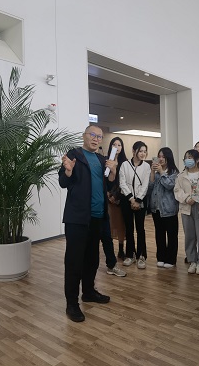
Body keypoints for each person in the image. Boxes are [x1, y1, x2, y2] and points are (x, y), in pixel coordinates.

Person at [58, 125, 118, 322]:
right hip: (77, 218)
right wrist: (68, 172)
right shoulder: (74, 155)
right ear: (84, 136)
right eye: (92, 135)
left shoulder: (102, 160)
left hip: (98, 217)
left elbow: (109, 184)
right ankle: (72, 303)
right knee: (74, 261)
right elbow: (63, 182)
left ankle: (89, 292)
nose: (95, 139)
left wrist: (113, 172)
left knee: (92, 258)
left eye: (99, 137)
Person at [174, 149, 199, 274]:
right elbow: (177, 190)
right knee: (189, 235)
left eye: (190, 157)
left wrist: (197, 198)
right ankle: (192, 260)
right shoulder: (181, 175)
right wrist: (187, 198)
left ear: (197, 160)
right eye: (186, 158)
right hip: (186, 207)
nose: (187, 160)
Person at [119, 141, 151, 269]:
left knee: (140, 228)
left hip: (140, 200)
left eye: (145, 151)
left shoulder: (146, 166)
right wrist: (131, 199)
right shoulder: (124, 165)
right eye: (140, 151)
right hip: (126, 200)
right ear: (133, 151)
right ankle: (130, 255)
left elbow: (145, 184)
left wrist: (138, 200)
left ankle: (141, 255)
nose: (143, 154)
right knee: (129, 228)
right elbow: (122, 183)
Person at [148, 147, 179, 269]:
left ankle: (171, 259)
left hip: (169, 209)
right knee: (159, 234)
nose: (160, 159)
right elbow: (150, 188)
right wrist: (152, 172)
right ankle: (160, 257)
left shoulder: (174, 172)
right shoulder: (156, 172)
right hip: (156, 208)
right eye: (159, 156)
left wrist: (161, 172)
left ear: (168, 158)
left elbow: (169, 185)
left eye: (163, 156)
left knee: (171, 235)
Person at [106, 137, 128, 261]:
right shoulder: (106, 160)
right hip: (108, 197)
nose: (117, 147)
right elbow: (104, 179)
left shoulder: (125, 162)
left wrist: (116, 195)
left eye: (119, 145)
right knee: (109, 224)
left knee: (120, 224)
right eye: (114, 144)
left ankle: (121, 249)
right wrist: (108, 194)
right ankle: (109, 250)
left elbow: (125, 181)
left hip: (120, 197)